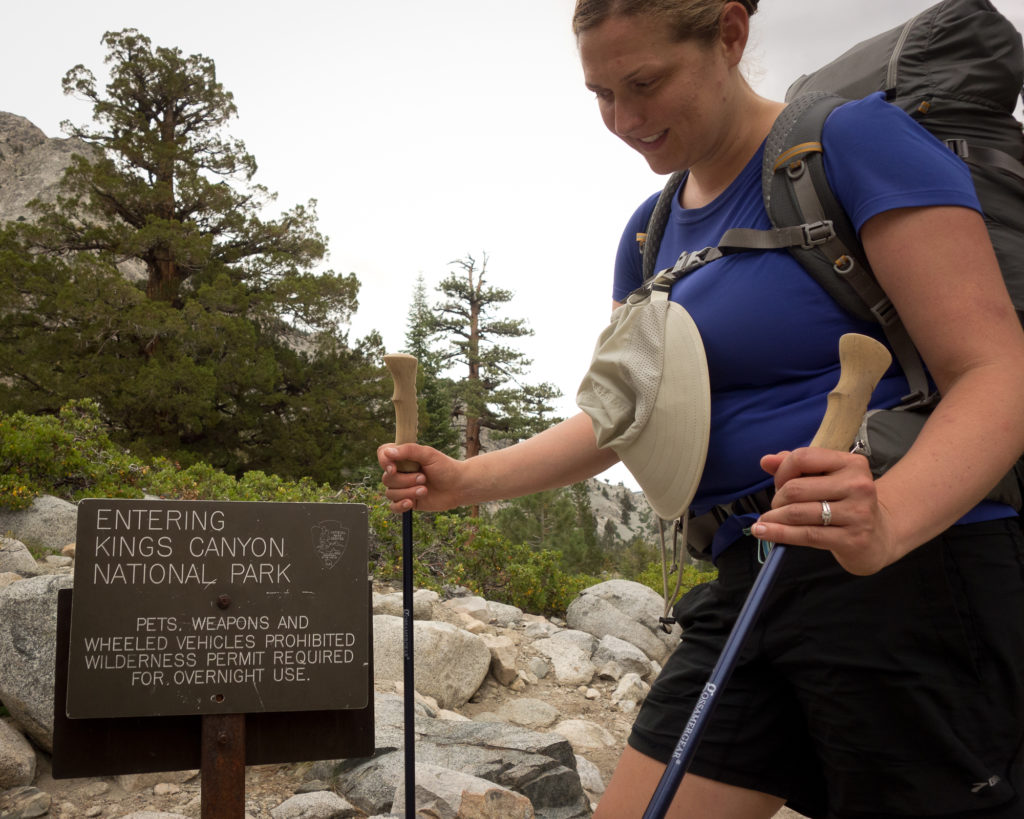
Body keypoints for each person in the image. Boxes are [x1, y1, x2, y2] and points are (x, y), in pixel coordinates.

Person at [379, 1, 1024, 816]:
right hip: (745, 575)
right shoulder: (649, 236)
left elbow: (997, 369)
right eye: (601, 94)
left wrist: (889, 516)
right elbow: (621, 417)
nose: (625, 119)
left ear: (729, 34)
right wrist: (463, 480)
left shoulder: (854, 143)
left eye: (645, 82)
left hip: (914, 578)